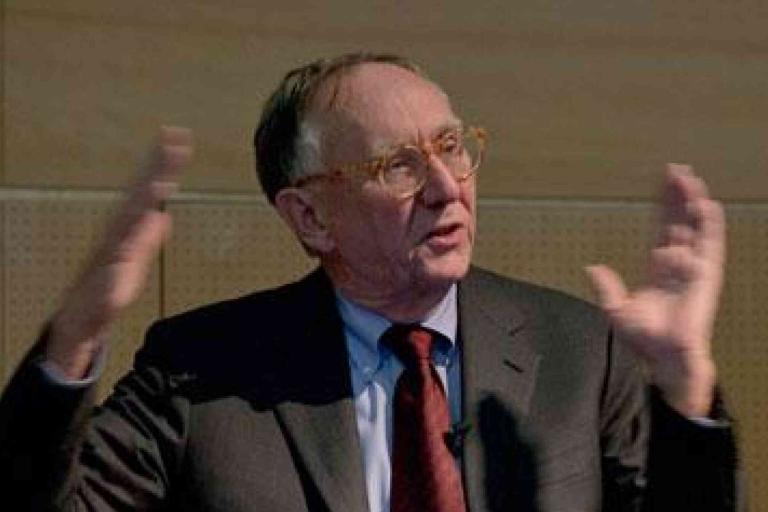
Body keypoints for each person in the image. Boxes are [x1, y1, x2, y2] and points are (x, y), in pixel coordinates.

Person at [0, 53, 739, 511]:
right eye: (400, 165)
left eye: (452, 147)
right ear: (312, 217)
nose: (448, 187)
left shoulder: (579, 351)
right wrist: (73, 341)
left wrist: (683, 384)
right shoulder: (201, 374)